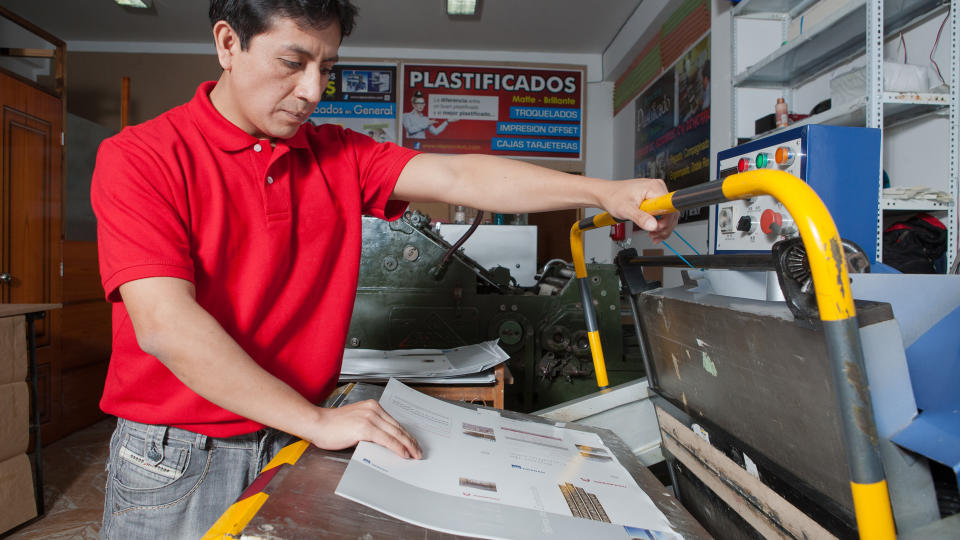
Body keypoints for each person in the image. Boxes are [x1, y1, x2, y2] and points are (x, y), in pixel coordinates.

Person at [90, 1, 678, 538]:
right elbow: (166, 325)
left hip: (291, 438)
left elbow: (459, 178)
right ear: (227, 43)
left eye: (327, 68)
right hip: (180, 457)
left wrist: (603, 191)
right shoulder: (140, 158)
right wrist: (317, 421)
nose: (313, 90)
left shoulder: (338, 154)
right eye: (293, 62)